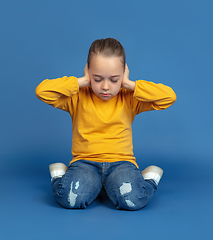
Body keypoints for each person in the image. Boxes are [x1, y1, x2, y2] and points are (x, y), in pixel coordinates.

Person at [35, 38, 176, 210]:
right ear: (88, 71)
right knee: (71, 199)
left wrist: (129, 84)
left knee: (132, 200)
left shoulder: (129, 97)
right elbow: (42, 91)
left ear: (124, 73)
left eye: (114, 80)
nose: (106, 87)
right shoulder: (78, 96)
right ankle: (59, 176)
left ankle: (149, 180)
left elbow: (169, 97)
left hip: (121, 164)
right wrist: (81, 81)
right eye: (97, 78)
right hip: (85, 164)